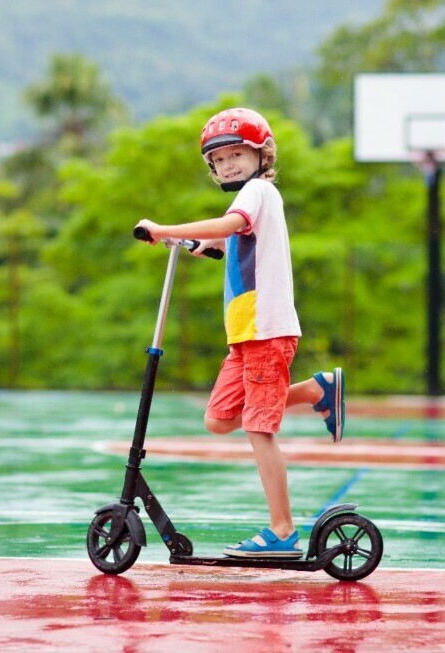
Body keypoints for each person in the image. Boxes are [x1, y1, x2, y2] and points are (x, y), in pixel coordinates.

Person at [134, 107, 345, 559]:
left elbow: (233, 225)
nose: (228, 165)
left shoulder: (258, 192)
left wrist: (164, 229)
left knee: (257, 427)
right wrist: (198, 244)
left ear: (260, 155)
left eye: (236, 154)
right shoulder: (251, 198)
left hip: (267, 331)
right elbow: (232, 238)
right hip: (245, 335)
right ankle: (314, 390)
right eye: (220, 160)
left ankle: (283, 531)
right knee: (218, 419)